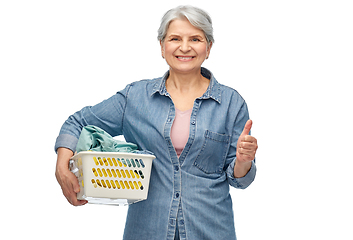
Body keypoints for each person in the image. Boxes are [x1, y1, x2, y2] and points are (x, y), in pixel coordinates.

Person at [55, 5, 258, 240]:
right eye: (175, 39)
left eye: (195, 38)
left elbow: (241, 179)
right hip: (147, 230)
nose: (184, 47)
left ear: (208, 47)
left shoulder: (231, 103)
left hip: (211, 230)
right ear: (162, 46)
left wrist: (243, 161)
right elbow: (77, 122)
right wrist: (62, 166)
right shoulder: (136, 98)